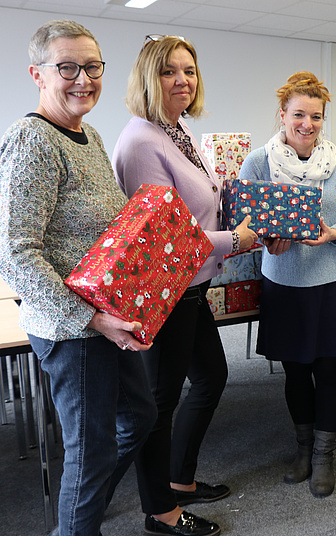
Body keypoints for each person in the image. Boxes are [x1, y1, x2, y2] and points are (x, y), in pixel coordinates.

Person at [0, 20, 157, 536]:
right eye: (67, 67)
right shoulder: (31, 140)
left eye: (92, 67)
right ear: (37, 74)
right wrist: (93, 318)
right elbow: (16, 253)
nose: (83, 79)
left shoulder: (88, 134)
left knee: (137, 421)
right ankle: (76, 521)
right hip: (75, 331)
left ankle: (78, 513)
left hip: (109, 316)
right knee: (90, 455)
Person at [113, 34, 258, 536]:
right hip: (164, 292)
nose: (182, 80)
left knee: (212, 377)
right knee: (157, 405)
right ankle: (161, 512)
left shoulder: (177, 132)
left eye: (189, 71)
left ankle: (179, 480)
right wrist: (235, 239)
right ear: (148, 79)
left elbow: (198, 204)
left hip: (190, 287)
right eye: (169, 71)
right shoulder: (140, 142)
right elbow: (164, 239)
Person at [239, 71, 336, 496]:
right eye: (298, 115)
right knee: (295, 372)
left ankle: (325, 454)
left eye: (316, 116)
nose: (307, 125)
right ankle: (303, 448)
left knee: (329, 370)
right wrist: (265, 239)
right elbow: (245, 222)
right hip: (285, 282)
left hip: (330, 280)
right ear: (282, 115)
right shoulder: (259, 161)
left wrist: (333, 234)